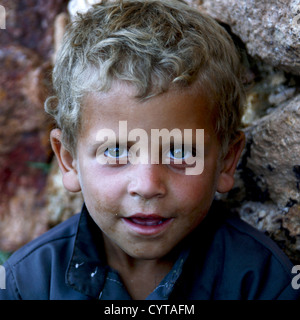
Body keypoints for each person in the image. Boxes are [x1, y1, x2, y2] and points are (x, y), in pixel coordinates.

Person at [1, 0, 299, 300]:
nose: (147, 186)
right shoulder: (28, 284)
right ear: (69, 160)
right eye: (116, 152)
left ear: (226, 161)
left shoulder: (262, 284)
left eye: (180, 153)